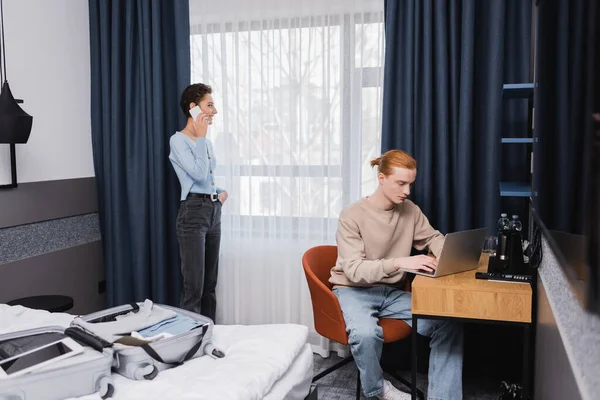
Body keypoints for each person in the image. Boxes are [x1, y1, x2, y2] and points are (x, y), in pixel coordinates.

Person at [330, 150, 463, 400]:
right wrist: (401, 262)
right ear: (381, 178)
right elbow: (355, 271)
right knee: (365, 333)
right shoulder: (352, 215)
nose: (407, 191)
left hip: (390, 293)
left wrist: (449, 254)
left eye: (410, 184)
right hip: (353, 290)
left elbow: (432, 237)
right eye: (401, 183)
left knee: (448, 322)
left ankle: (443, 397)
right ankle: (376, 390)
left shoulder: (409, 210)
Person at [169, 83, 228, 322]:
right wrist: (202, 139)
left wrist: (221, 192)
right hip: (192, 213)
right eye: (209, 105)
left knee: (210, 285)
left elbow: (208, 180)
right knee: (193, 285)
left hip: (212, 211)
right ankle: (189, 341)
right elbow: (199, 174)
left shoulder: (207, 143)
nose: (214, 111)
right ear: (193, 108)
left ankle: (209, 335)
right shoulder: (178, 141)